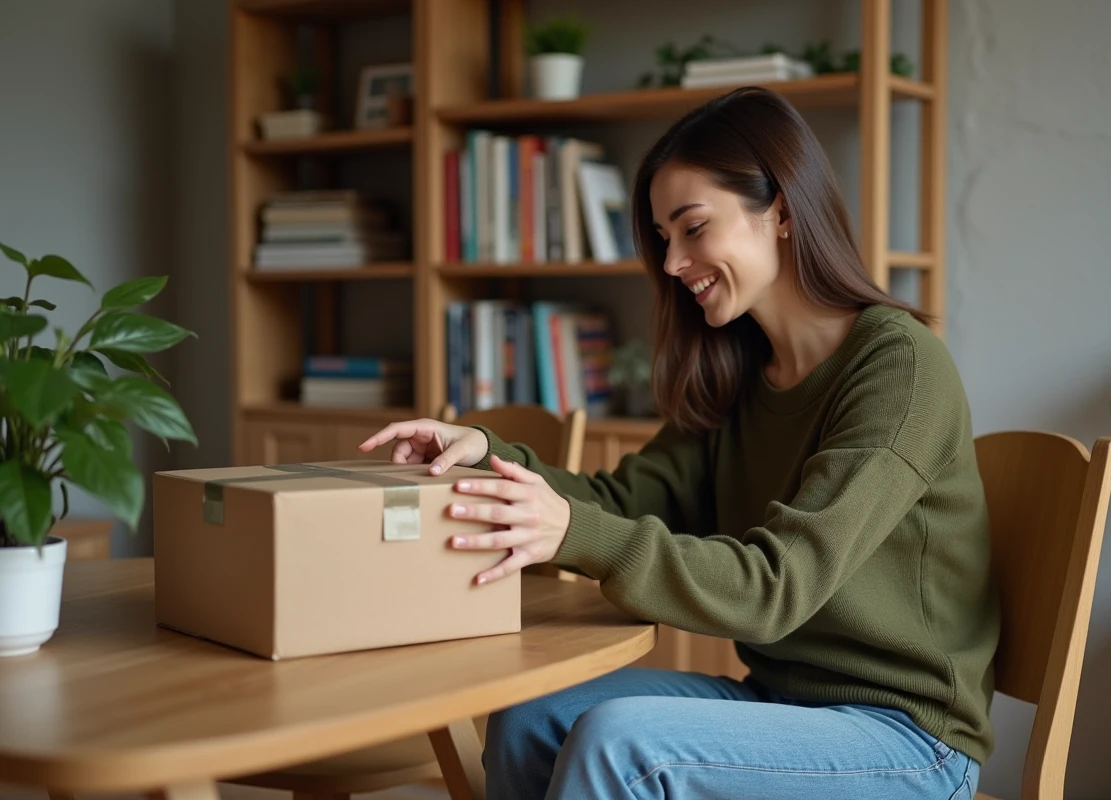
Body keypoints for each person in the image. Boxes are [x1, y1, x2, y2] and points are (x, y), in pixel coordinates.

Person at [359, 86, 998, 800]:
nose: (671, 263)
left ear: (781, 210)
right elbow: (621, 501)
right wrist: (485, 454)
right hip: (781, 703)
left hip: (909, 742)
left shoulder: (899, 368)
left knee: (621, 748)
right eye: (664, 238)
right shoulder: (741, 374)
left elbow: (776, 587)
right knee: (530, 717)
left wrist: (577, 532)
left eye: (692, 228)